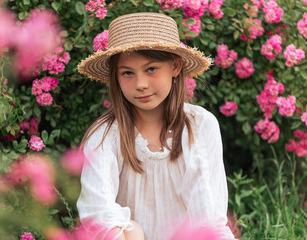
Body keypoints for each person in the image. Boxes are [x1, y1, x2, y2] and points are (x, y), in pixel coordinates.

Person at [76, 12, 236, 240]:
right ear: (116, 77)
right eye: (128, 73)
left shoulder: (199, 126)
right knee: (131, 230)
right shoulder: (105, 135)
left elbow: (207, 216)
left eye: (151, 69)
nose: (140, 84)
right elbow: (97, 213)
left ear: (175, 67)